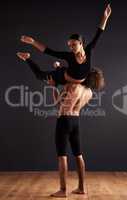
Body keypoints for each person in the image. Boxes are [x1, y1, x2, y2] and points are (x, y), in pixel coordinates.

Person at [17, 53, 93, 197]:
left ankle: (63, 190)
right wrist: (59, 69)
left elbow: (58, 103)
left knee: (62, 155)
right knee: (78, 154)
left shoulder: (71, 86)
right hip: (76, 121)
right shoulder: (89, 92)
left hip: (64, 120)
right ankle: (82, 187)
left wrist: (53, 86)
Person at [20, 4, 112, 85]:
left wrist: (105, 17)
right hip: (62, 78)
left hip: (80, 80)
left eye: (74, 44)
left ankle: (58, 67)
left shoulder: (89, 50)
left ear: (81, 43)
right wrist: (33, 42)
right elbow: (49, 51)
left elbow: (99, 33)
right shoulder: (69, 56)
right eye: (69, 45)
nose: (71, 47)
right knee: (39, 75)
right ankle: (27, 58)